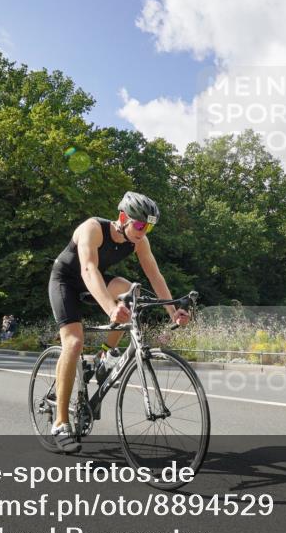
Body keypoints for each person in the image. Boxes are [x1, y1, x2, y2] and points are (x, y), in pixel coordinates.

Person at [47, 192, 190, 452]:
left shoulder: (139, 241)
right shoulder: (93, 228)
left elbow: (155, 277)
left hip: (98, 282)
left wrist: (172, 311)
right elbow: (88, 270)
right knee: (75, 342)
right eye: (139, 225)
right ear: (123, 217)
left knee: (133, 291)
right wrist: (112, 308)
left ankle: (106, 356)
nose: (144, 231)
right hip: (66, 281)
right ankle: (60, 422)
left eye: (149, 227)